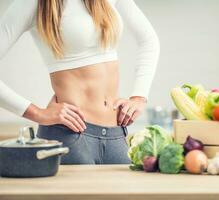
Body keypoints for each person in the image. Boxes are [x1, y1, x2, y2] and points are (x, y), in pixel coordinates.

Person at [0, 0, 159, 164]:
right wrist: (37, 113)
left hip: (116, 134)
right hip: (71, 136)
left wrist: (139, 96)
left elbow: (149, 40)